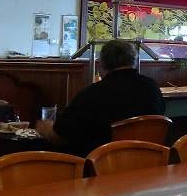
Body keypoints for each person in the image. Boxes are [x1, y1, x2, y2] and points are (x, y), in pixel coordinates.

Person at [36, 40, 165, 157]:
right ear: (134, 61)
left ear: (101, 64)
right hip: (150, 162)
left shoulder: (92, 94)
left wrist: (45, 128)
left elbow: (61, 134)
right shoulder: (152, 87)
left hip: (102, 166)